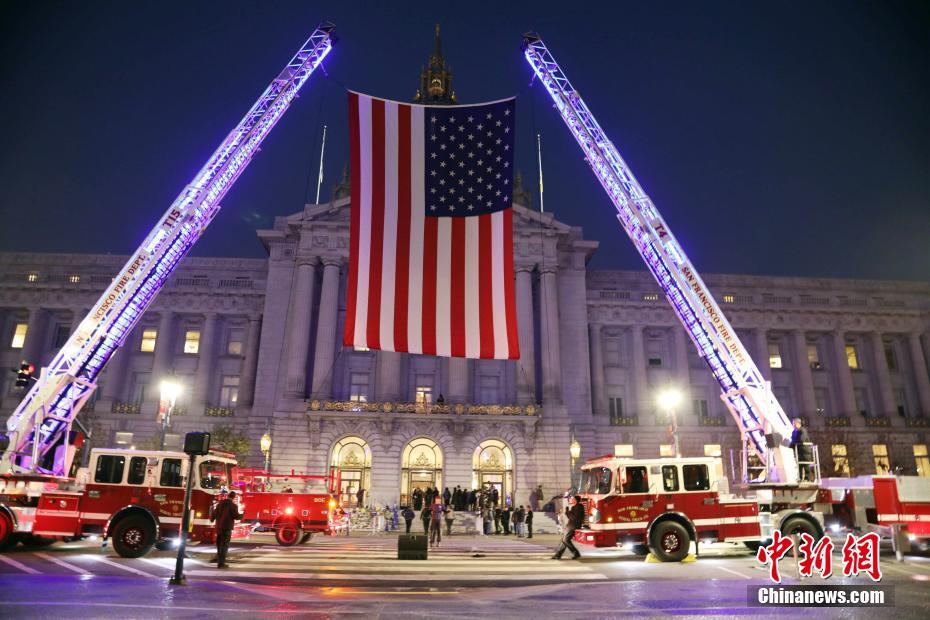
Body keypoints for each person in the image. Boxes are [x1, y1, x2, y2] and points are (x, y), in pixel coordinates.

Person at [210, 490, 242, 568]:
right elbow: (236, 516)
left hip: (218, 528)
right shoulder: (233, 506)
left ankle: (218, 558)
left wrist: (212, 519)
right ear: (234, 497)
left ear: (228, 496)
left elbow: (214, 513)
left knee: (219, 544)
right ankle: (221, 563)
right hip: (227, 528)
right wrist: (242, 515)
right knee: (225, 545)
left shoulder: (220, 504)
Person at [552, 495, 585, 560]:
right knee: (564, 540)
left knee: (565, 540)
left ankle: (576, 553)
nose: (572, 500)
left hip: (573, 526)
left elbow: (573, 517)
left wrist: (568, 512)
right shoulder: (575, 507)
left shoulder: (578, 507)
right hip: (571, 525)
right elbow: (570, 516)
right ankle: (558, 555)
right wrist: (568, 512)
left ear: (576, 500)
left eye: (573, 499)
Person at [789, 417, 815, 481]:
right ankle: (800, 478)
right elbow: (793, 440)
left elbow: (802, 439)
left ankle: (807, 478)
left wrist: (795, 442)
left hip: (805, 452)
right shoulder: (794, 432)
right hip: (799, 452)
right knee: (799, 466)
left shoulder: (802, 430)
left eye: (794, 423)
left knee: (806, 466)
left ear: (797, 423)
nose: (793, 425)